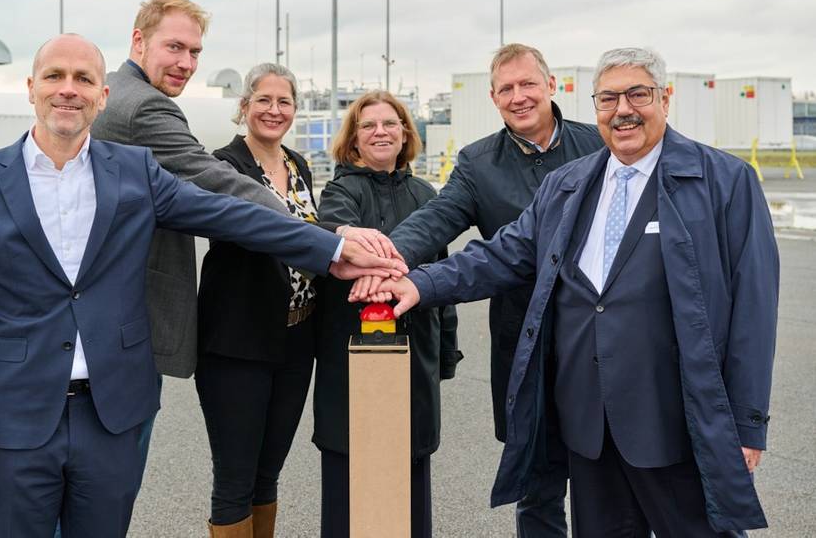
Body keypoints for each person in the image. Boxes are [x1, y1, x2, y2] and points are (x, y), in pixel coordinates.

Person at [0, 34, 405, 538]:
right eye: (55, 76)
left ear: (103, 96)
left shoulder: (135, 172)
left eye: (84, 79)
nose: (68, 90)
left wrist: (331, 248)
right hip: (16, 420)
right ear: (31, 88)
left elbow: (231, 213)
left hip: (111, 418)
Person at [367, 47, 779, 536]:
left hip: (675, 422)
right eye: (608, 99)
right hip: (589, 424)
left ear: (665, 99)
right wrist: (417, 281)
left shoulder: (724, 182)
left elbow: (754, 310)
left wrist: (747, 424)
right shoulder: (571, 184)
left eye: (637, 94)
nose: (622, 109)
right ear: (595, 106)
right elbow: (504, 253)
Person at [89, 0, 389, 487]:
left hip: (280, 336)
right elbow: (218, 183)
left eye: (195, 52)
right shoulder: (144, 107)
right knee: (108, 483)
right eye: (175, 47)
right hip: (149, 322)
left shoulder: (298, 164)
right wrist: (328, 241)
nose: (186, 63)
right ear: (138, 41)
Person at [376, 43, 601, 537]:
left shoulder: (599, 145)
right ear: (494, 97)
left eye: (527, 84)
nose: (519, 97)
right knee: (538, 487)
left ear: (552, 85)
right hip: (526, 342)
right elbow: (437, 219)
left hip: (599, 343)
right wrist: (385, 257)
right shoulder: (479, 163)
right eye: (506, 89)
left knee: (604, 487)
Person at [195, 63, 365, 537]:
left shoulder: (298, 165)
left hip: (295, 339)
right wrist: (335, 236)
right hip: (238, 343)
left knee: (268, 472)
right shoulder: (223, 166)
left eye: (283, 101)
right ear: (244, 107)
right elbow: (264, 234)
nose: (274, 110)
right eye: (263, 100)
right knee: (235, 479)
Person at [314, 91, 462, 538]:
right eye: (368, 125)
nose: (380, 132)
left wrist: (447, 350)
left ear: (404, 135)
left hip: (417, 349)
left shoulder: (425, 194)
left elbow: (442, 272)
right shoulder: (340, 192)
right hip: (352, 351)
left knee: (410, 460)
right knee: (349, 460)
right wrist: (387, 267)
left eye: (390, 124)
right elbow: (342, 249)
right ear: (353, 140)